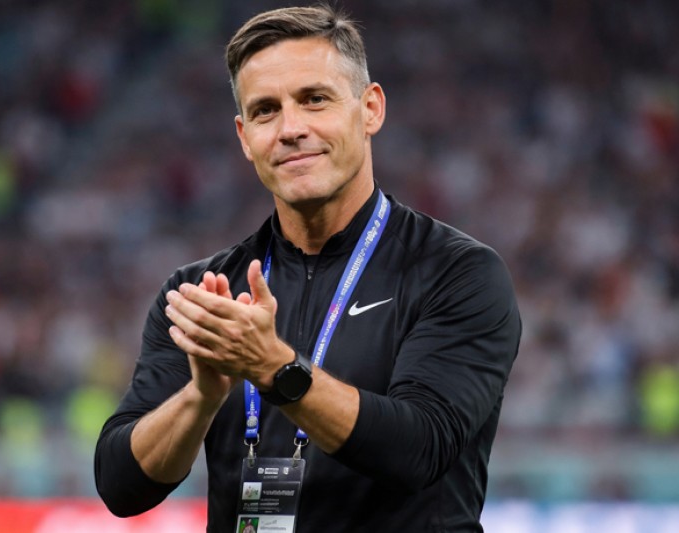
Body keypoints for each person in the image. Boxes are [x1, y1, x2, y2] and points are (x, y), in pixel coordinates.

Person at [95, 4, 521, 532]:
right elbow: (120, 486)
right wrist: (201, 398)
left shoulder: (457, 273)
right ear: (244, 137)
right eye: (265, 110)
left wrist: (274, 368)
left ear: (370, 109)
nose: (290, 128)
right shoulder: (202, 294)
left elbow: (420, 448)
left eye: (314, 99)